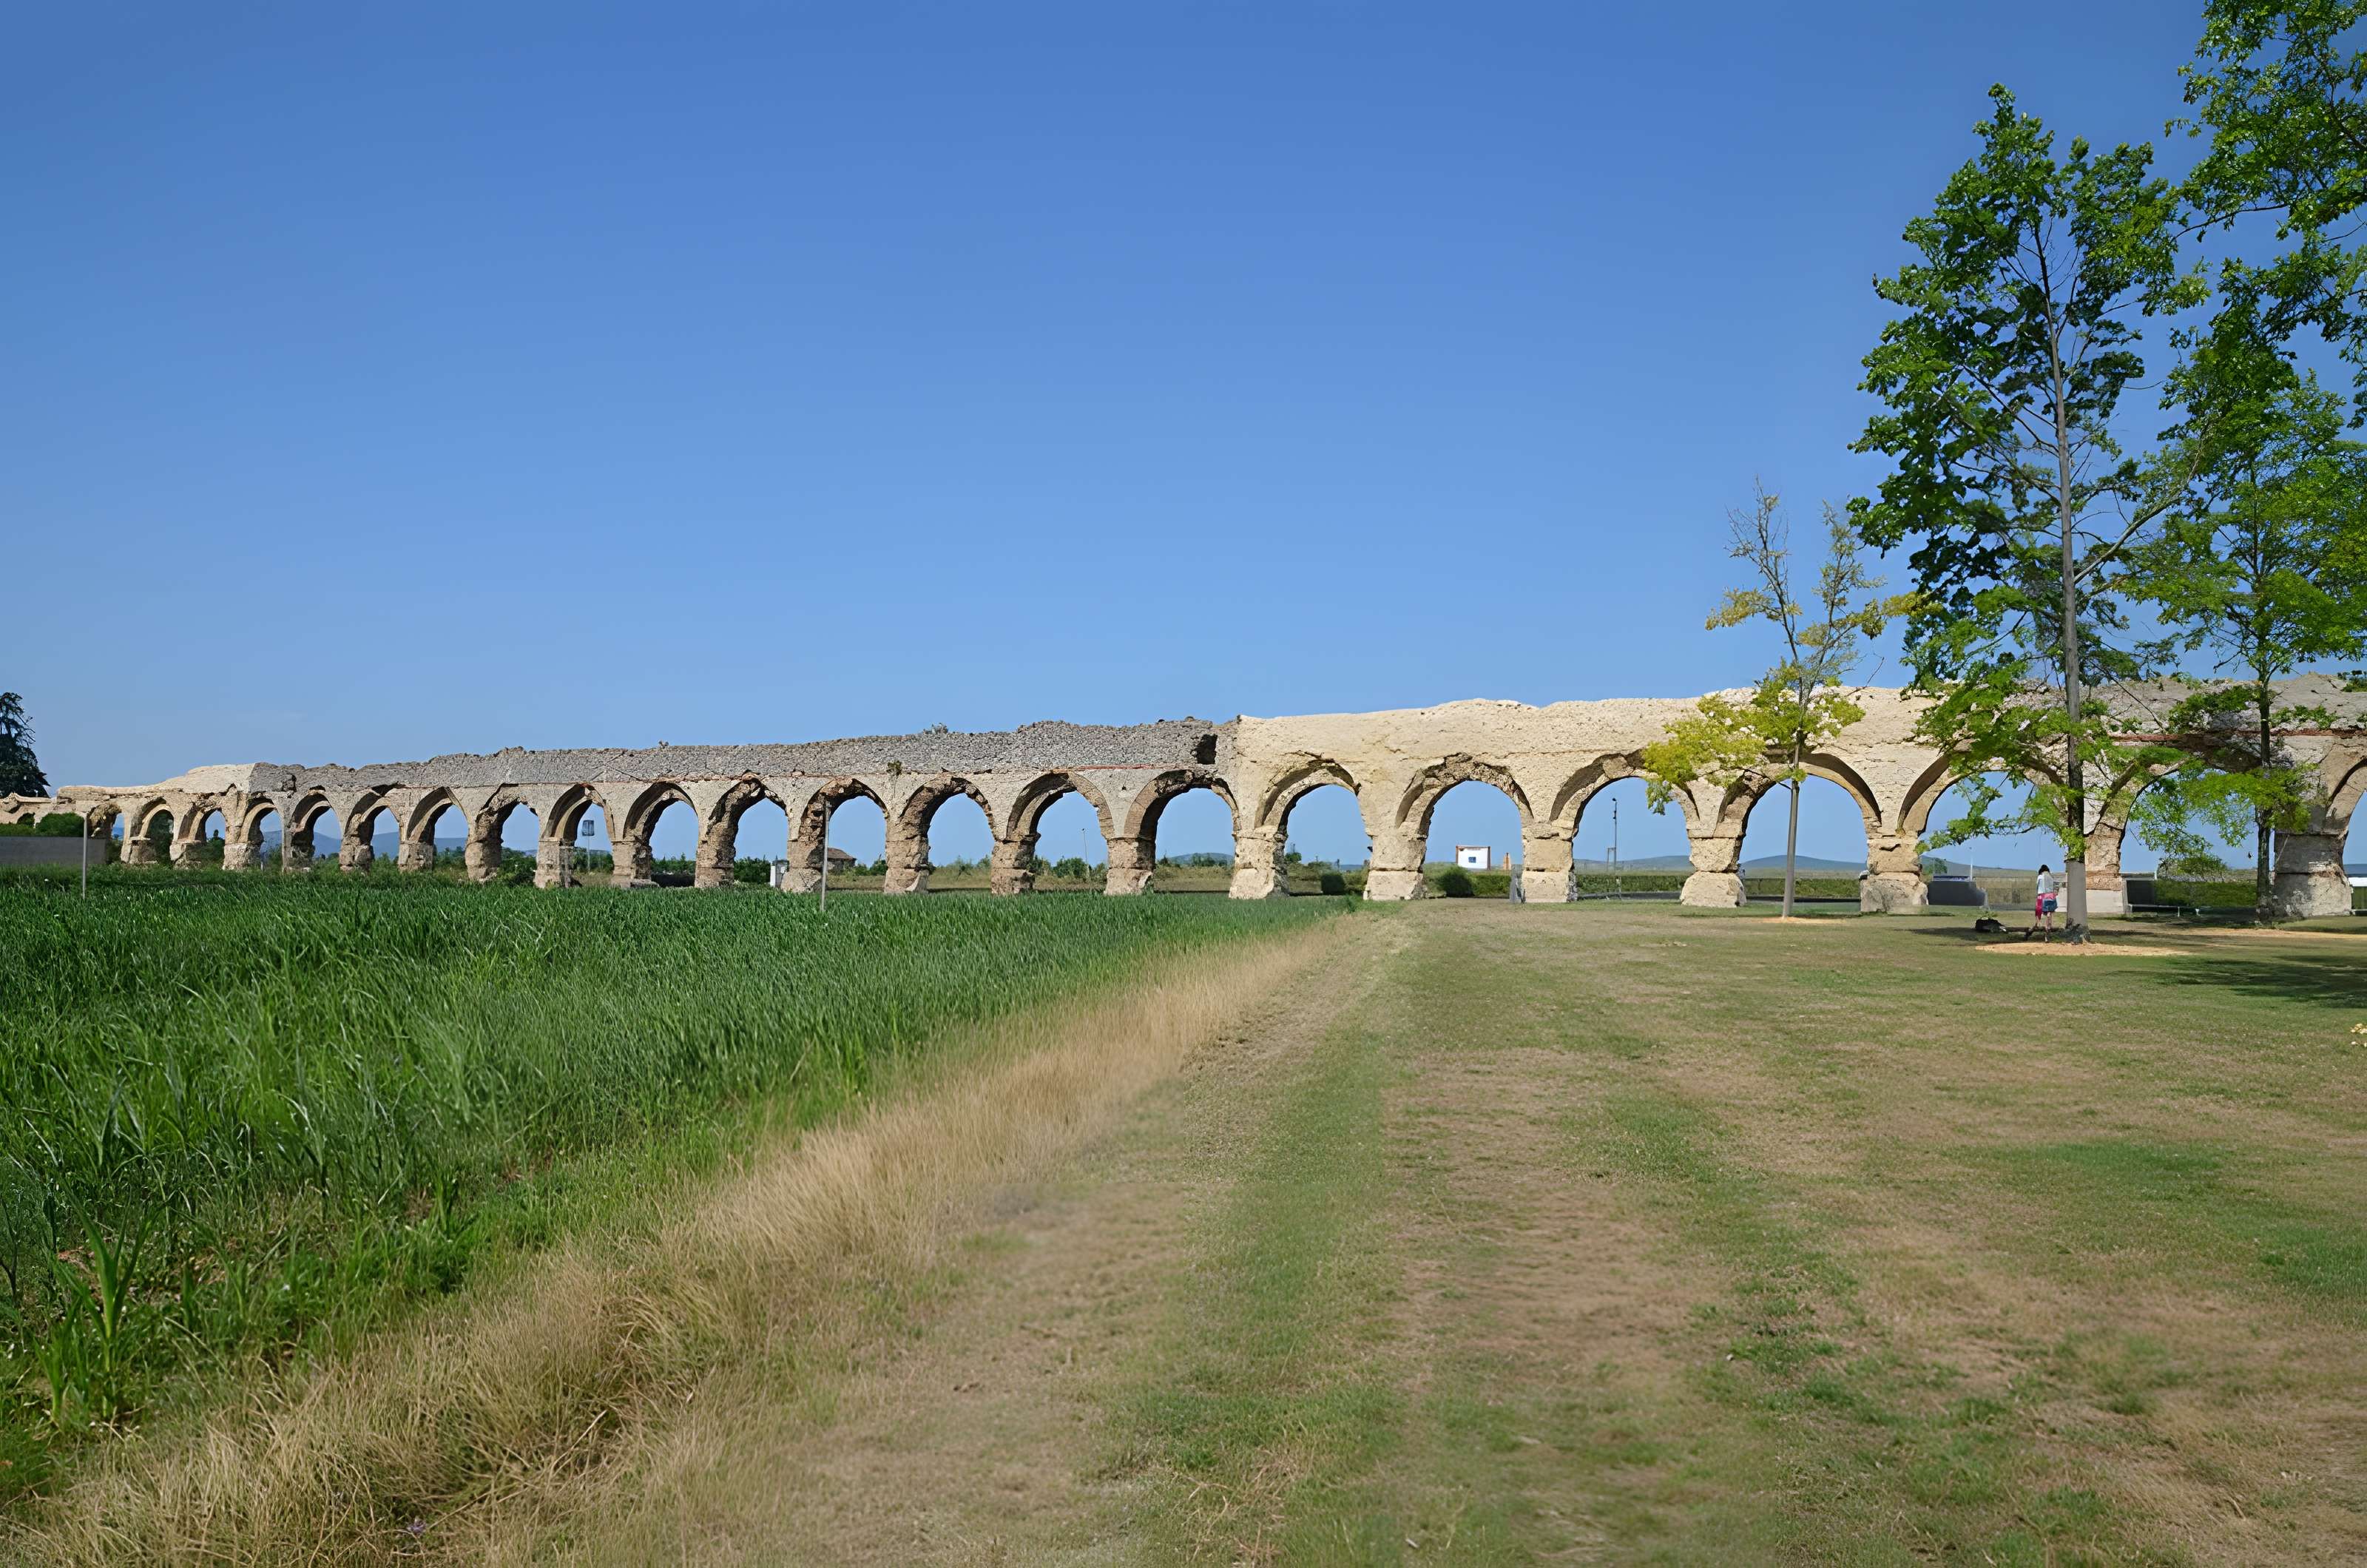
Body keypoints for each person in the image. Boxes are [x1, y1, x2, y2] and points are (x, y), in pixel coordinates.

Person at [2034, 865, 2058, 933]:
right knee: (2049, 911)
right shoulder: (2050, 877)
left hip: (2041, 895)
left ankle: (2038, 923)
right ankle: (2049, 926)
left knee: (2038, 910)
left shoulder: (2040, 877)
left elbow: (2037, 885)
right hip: (2050, 895)